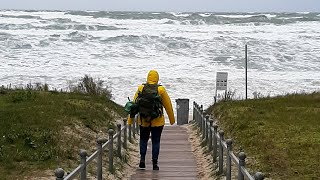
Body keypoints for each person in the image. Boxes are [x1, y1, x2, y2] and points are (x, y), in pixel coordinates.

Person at [128, 69, 175, 170]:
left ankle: (142, 160)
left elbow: (133, 105)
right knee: (156, 141)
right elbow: (168, 106)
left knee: (143, 140)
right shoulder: (161, 90)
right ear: (157, 78)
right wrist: (172, 120)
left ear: (148, 77)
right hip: (157, 121)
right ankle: (155, 163)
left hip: (144, 120)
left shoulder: (141, 88)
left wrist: (130, 120)